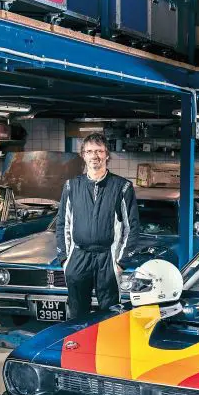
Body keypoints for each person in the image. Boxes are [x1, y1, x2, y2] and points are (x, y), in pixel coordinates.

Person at [56, 133, 140, 319]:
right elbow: (62, 224)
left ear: (107, 155)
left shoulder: (122, 187)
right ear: (83, 155)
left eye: (99, 151)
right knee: (77, 314)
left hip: (107, 258)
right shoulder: (71, 186)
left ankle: (109, 347)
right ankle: (77, 347)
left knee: (110, 314)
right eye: (90, 151)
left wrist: (120, 263)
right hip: (78, 258)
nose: (95, 156)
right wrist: (65, 259)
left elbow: (132, 227)